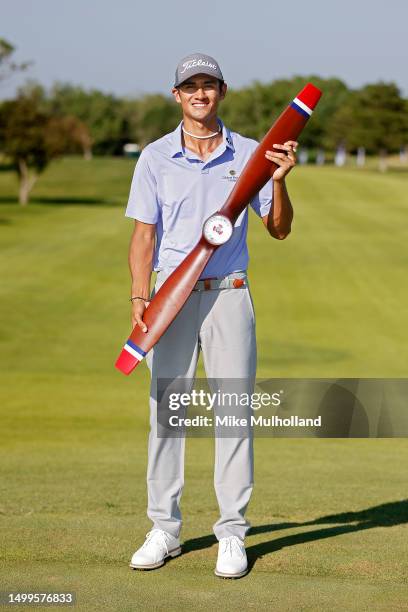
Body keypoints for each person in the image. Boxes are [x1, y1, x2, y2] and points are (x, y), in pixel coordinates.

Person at [125, 53, 297, 578]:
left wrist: (282, 178)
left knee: (233, 415)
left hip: (229, 293)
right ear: (176, 95)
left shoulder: (252, 153)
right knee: (167, 415)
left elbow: (279, 228)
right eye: (190, 86)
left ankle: (231, 533)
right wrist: (139, 300)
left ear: (222, 91)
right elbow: (144, 236)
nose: (200, 94)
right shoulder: (154, 157)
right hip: (169, 300)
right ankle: (165, 529)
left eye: (208, 85)